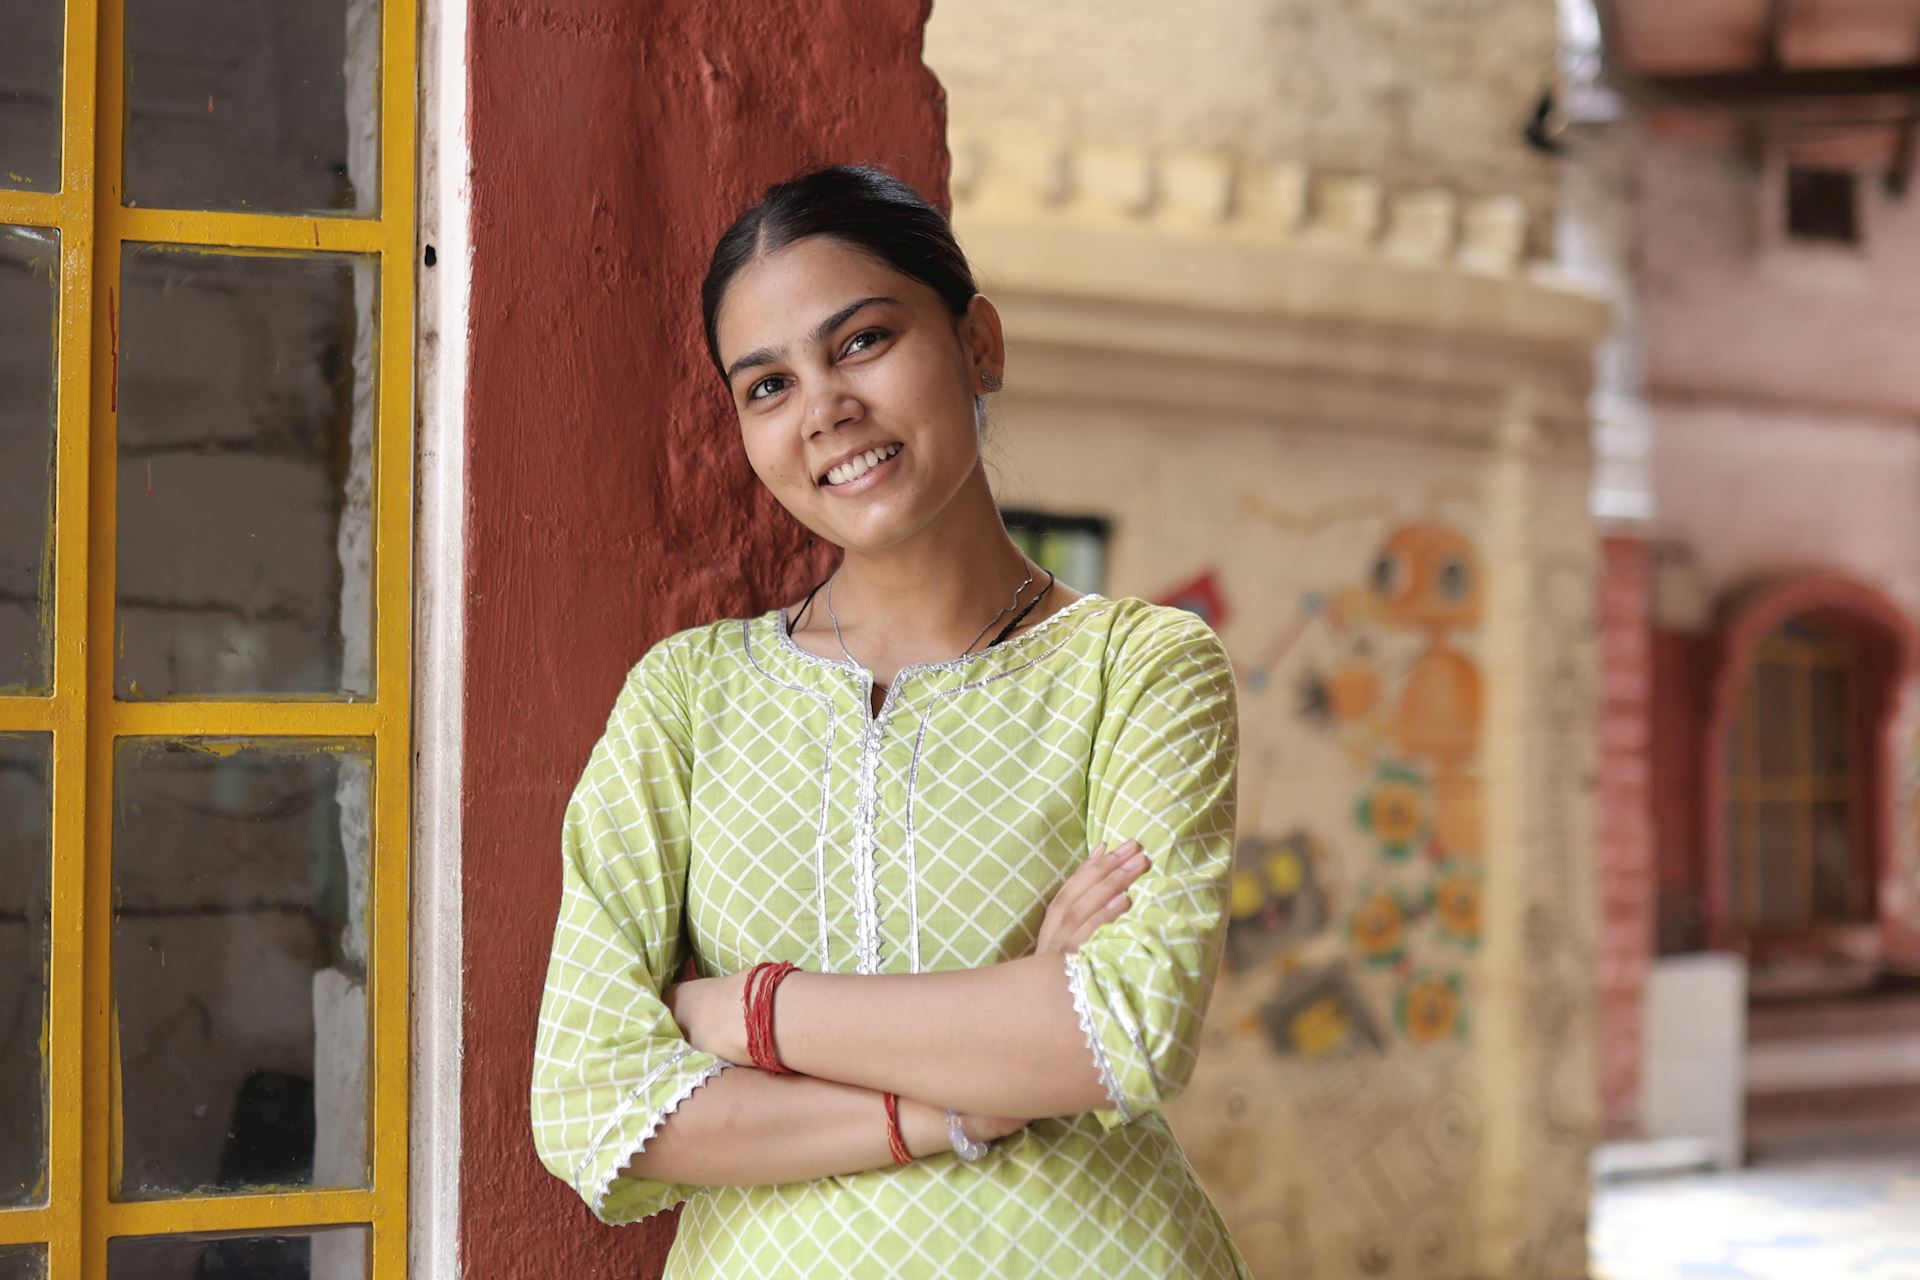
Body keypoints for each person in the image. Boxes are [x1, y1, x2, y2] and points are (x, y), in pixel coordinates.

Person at [530, 164, 1250, 1278]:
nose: (824, 409)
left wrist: (741, 1013)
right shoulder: (686, 699)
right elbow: (590, 1101)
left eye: (861, 340)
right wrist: (970, 1096)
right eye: (766, 385)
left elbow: (1124, 1028)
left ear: (980, 345)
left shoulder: (1138, 670)